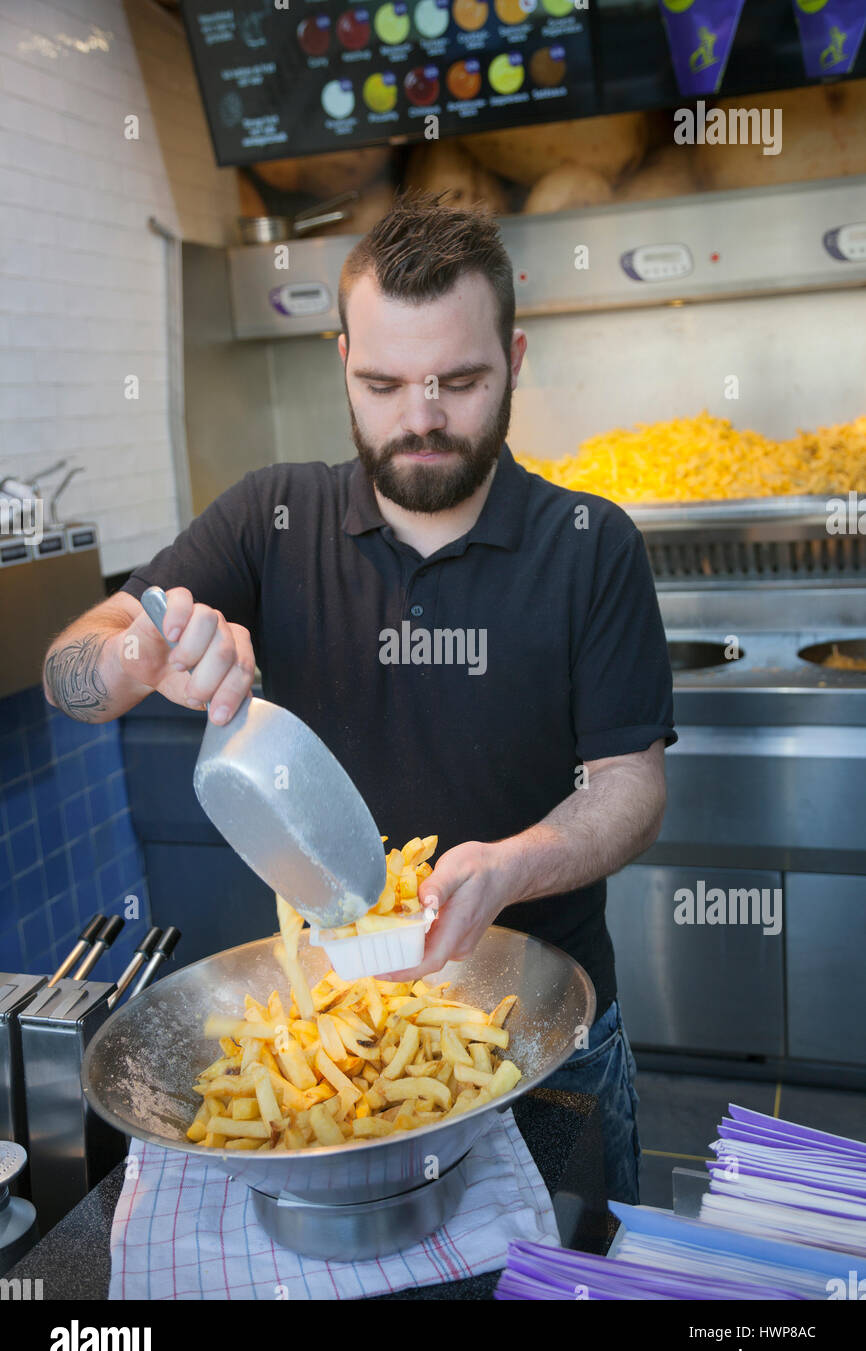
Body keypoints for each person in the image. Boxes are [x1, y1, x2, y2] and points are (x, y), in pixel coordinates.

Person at [43, 192, 675, 1205]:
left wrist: (512, 866)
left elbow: (629, 788)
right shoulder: (268, 518)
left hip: (544, 1030)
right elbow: (70, 668)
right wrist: (132, 663)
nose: (418, 418)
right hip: (333, 1041)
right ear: (341, 359)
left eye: (457, 381)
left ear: (514, 361)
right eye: (382, 383)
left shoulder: (588, 546)